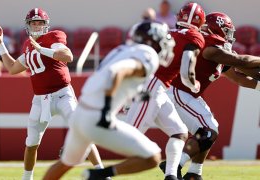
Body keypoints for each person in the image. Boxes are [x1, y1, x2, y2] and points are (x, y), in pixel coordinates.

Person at [43, 21, 176, 180]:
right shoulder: (148, 54)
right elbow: (116, 72)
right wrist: (106, 109)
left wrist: (137, 93)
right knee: (153, 157)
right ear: (152, 41)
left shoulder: (121, 50)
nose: (166, 45)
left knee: (65, 164)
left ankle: (98, 174)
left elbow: (113, 75)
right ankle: (100, 175)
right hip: (97, 116)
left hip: (81, 113)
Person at [0, 8, 105, 180]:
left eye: (40, 23)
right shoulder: (27, 45)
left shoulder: (54, 37)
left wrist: (42, 49)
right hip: (40, 99)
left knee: (81, 129)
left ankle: (102, 174)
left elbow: (67, 56)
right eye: (33, 23)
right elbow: (12, 68)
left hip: (62, 94)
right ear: (28, 25)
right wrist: (0, 44)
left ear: (46, 25)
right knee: (31, 143)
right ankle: (27, 178)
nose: (37, 26)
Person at [160, 12, 260, 180]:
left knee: (210, 128)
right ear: (217, 29)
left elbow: (240, 76)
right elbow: (242, 61)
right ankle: (175, 164)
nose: (230, 36)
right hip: (177, 91)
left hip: (187, 94)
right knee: (208, 130)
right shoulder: (209, 46)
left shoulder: (219, 51)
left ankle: (194, 173)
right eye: (227, 31)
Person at [125, 2, 205, 180]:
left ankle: (171, 175)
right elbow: (186, 72)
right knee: (127, 137)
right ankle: (85, 147)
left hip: (155, 85)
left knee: (179, 132)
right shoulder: (194, 36)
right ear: (200, 21)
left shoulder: (168, 31)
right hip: (152, 86)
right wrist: (193, 84)